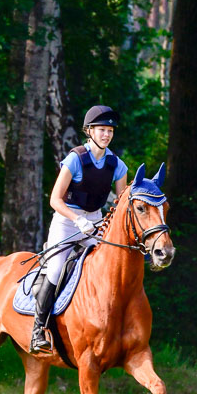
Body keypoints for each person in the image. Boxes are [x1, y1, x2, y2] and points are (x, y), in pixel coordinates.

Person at [29, 104, 128, 353]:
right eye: (102, 130)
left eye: (110, 131)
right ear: (90, 131)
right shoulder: (75, 159)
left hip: (95, 222)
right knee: (55, 269)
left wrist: (101, 223)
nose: (106, 135)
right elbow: (55, 199)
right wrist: (78, 220)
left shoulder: (118, 165)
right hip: (66, 222)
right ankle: (38, 331)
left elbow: (120, 205)